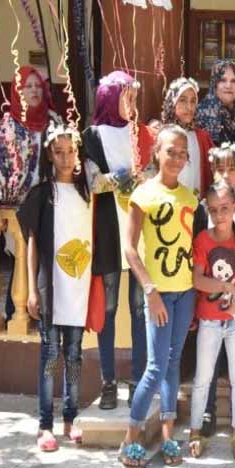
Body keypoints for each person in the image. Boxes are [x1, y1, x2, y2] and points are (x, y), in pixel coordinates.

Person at [119, 125, 199, 467]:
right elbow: (129, 248)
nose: (177, 158)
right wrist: (149, 290)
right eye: (171, 151)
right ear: (157, 153)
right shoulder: (144, 194)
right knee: (155, 368)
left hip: (185, 292)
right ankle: (130, 440)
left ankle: (168, 438)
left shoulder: (190, 199)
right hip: (159, 294)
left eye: (182, 153)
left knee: (173, 363)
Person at [17, 122, 91, 452]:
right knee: (50, 355)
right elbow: (32, 243)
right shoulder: (43, 195)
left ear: (78, 154)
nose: (65, 158)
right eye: (58, 152)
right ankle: (45, 424)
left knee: (74, 355)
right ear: (49, 154)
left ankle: (70, 418)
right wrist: (33, 289)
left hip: (78, 287)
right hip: (51, 287)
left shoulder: (86, 193)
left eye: (71, 151)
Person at [83, 71, 153, 410]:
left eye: (135, 98)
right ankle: (108, 381)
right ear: (109, 98)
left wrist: (143, 176)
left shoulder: (143, 133)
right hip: (109, 230)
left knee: (139, 308)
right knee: (109, 307)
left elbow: (153, 174)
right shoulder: (92, 136)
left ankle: (138, 378)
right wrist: (123, 176)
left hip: (139, 230)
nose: (132, 104)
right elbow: (93, 182)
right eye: (126, 97)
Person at [188, 182, 235, 461]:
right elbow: (197, 280)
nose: (219, 215)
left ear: (234, 208)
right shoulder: (203, 240)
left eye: (224, 209)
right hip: (209, 321)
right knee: (202, 379)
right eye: (214, 210)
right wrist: (228, 287)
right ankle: (195, 432)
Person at [0, 65, 60, 321]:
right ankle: (15, 315)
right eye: (28, 86)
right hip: (17, 210)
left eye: (38, 86)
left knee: (43, 268)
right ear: (18, 91)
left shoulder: (54, 122)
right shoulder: (6, 127)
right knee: (21, 263)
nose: (34, 90)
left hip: (49, 206)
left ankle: (43, 320)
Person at [160, 77, 215, 196]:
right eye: (183, 100)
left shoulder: (202, 137)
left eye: (193, 101)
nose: (189, 107)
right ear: (172, 102)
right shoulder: (161, 135)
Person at [196, 60, 235, 145]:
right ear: (214, 84)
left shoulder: (233, 114)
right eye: (223, 80)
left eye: (233, 81)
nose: (228, 86)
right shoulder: (203, 114)